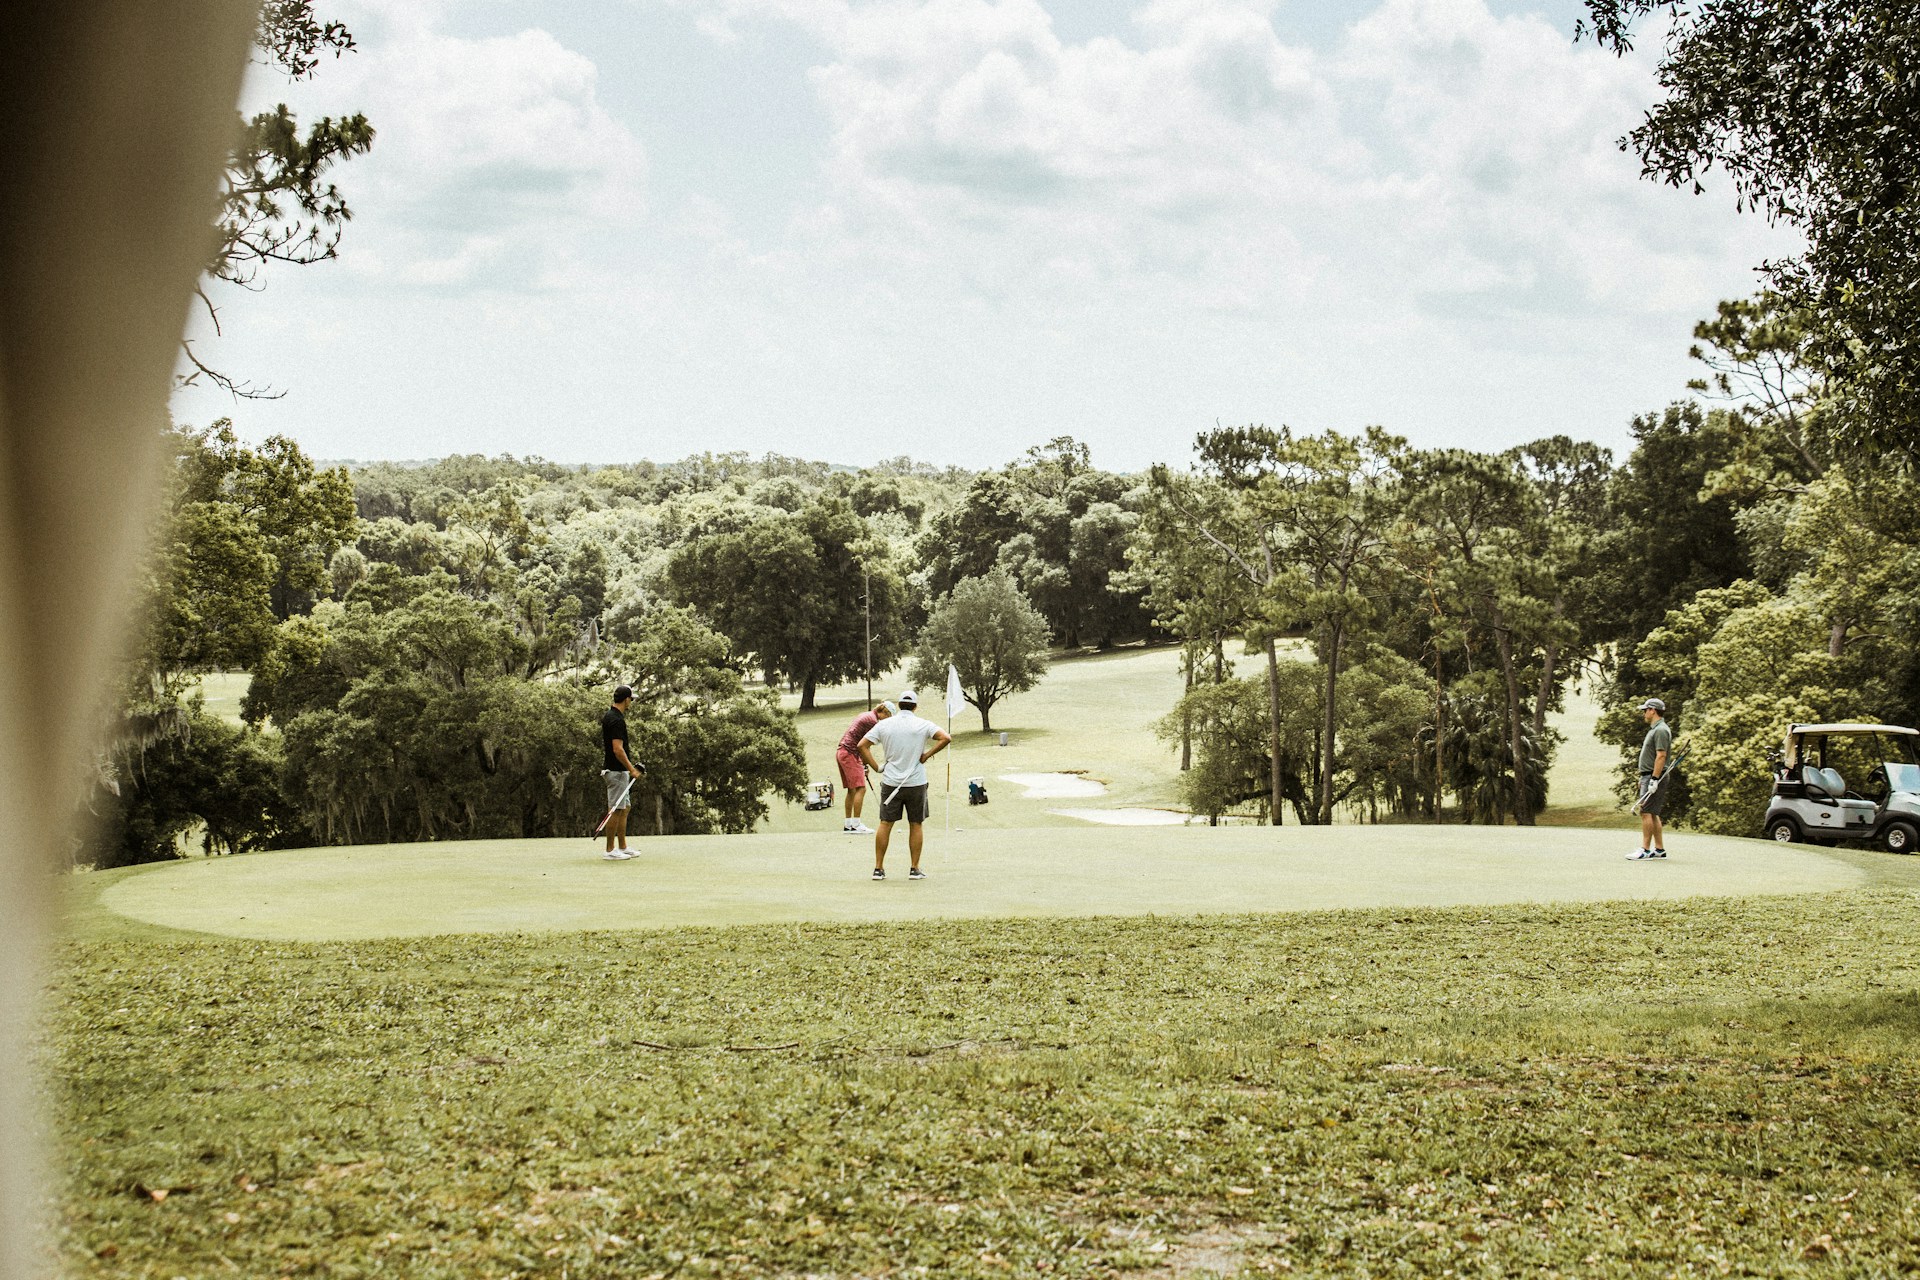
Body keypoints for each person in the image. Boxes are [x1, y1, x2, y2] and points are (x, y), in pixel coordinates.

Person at [857, 689, 949, 881]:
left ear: (898, 705)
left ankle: (878, 869)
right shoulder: (922, 724)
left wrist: (876, 767)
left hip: (891, 782)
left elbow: (862, 745)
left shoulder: (885, 725)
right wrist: (926, 755)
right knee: (916, 824)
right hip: (915, 782)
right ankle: (914, 869)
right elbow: (945, 738)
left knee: (885, 823)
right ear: (915, 706)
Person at [601, 685, 646, 861]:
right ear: (626, 699)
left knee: (625, 807)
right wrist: (631, 769)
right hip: (616, 771)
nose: (631, 703)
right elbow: (617, 749)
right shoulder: (616, 720)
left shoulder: (612, 715)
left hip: (618, 771)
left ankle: (622, 846)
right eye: (631, 699)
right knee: (616, 810)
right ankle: (610, 850)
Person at [835, 701, 893, 833]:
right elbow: (864, 747)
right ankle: (856, 825)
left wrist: (864, 765)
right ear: (884, 712)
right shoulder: (872, 721)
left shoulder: (867, 715)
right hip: (849, 754)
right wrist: (873, 766)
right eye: (888, 718)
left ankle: (848, 824)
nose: (887, 721)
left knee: (852, 790)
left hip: (842, 752)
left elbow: (861, 745)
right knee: (861, 789)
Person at [1629, 697, 1671, 860]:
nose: (1644, 713)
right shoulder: (1656, 729)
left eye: (1645, 710)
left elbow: (1661, 756)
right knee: (1653, 813)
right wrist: (1645, 777)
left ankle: (1645, 850)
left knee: (1646, 811)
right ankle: (1659, 849)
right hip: (1649, 776)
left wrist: (1654, 779)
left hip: (1655, 777)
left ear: (1652, 710)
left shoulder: (1660, 730)